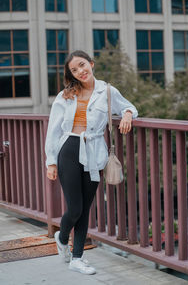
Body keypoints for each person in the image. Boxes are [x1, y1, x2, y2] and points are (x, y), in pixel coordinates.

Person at [45, 50, 138, 275]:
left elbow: (129, 107)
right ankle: (62, 235)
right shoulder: (65, 95)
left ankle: (77, 257)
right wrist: (51, 161)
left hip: (95, 151)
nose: (80, 72)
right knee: (75, 206)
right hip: (69, 150)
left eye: (82, 65)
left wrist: (126, 115)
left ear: (91, 64)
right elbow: (53, 129)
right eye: (74, 70)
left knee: (85, 208)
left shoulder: (107, 91)